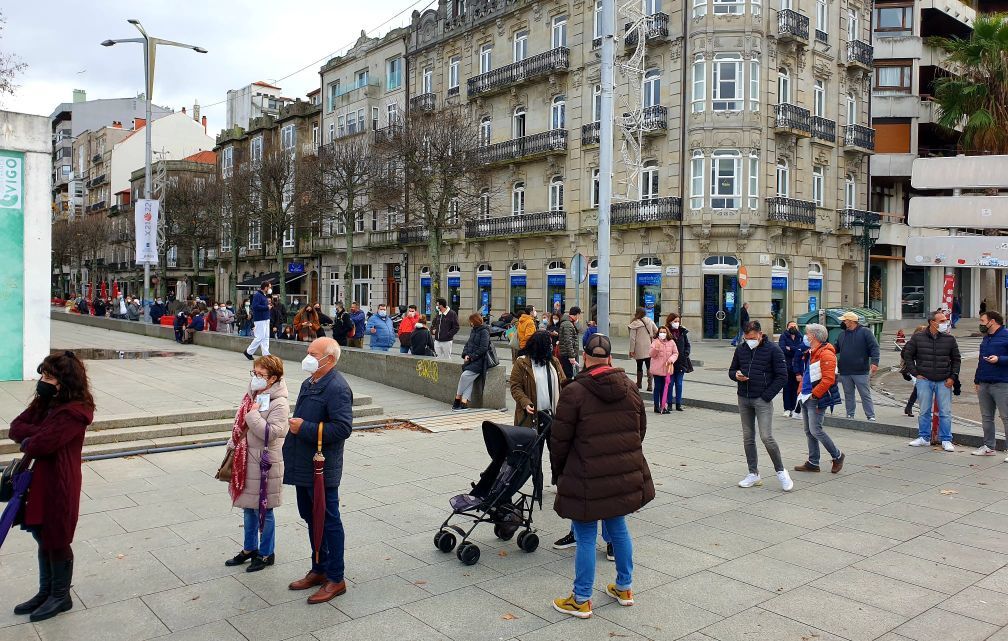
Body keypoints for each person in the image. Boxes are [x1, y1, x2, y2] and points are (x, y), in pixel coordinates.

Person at [549, 334, 654, 619]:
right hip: (620, 474)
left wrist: (558, 473)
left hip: (586, 476)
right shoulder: (630, 388)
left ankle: (582, 598)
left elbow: (559, 441)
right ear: (609, 358)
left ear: (584, 357)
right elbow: (639, 431)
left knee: (584, 536)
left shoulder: (574, 392)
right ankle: (624, 587)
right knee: (618, 528)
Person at [8, 352, 95, 622]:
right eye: (43, 375)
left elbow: (41, 444)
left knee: (56, 536)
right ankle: (45, 591)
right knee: (40, 533)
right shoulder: (47, 403)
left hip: (59, 481)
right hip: (38, 479)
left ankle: (61, 595)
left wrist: (32, 438)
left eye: (49, 377)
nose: (42, 381)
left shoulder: (74, 411)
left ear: (64, 381)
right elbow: (15, 428)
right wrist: (35, 432)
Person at [284, 338, 353, 604]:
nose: (308, 357)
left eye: (313, 353)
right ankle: (319, 567)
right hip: (303, 464)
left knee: (328, 520)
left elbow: (343, 428)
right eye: (308, 352)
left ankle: (336, 578)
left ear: (330, 360)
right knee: (310, 517)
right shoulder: (310, 381)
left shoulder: (337, 387)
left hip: (321, 468)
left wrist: (304, 428)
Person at [224, 355, 289, 573]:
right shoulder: (252, 395)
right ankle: (250, 548)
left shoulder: (279, 402)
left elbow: (272, 433)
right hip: (246, 460)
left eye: (261, 375)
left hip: (264, 463)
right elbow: (239, 425)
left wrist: (253, 417)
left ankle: (266, 552)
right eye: (255, 373)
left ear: (273, 378)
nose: (256, 378)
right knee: (248, 508)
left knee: (265, 510)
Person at [729, 320, 793, 491]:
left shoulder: (773, 349)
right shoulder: (741, 349)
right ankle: (753, 473)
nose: (748, 340)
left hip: (762, 399)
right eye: (746, 337)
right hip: (744, 397)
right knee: (748, 437)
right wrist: (736, 375)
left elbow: (782, 376)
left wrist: (766, 396)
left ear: (760, 334)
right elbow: (731, 370)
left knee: (766, 437)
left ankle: (781, 471)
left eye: (751, 337)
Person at [904, 310, 961, 452]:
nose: (945, 323)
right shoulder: (918, 338)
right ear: (932, 322)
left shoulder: (949, 339)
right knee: (924, 410)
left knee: (945, 412)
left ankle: (946, 439)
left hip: (944, 381)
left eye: (945, 320)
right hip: (924, 380)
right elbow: (907, 355)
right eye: (941, 321)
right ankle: (924, 437)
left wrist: (952, 377)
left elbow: (956, 359)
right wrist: (915, 373)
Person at [794, 323, 845, 474]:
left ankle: (837, 455)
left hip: (815, 397)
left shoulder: (826, 354)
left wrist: (814, 395)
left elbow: (829, 379)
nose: (806, 336)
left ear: (814, 336)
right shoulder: (812, 351)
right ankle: (813, 462)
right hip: (806, 396)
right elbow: (807, 373)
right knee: (809, 431)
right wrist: (800, 390)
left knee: (816, 430)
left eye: (807, 334)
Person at [509, 330, 565, 427]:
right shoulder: (521, 363)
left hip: (553, 415)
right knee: (534, 442)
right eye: (549, 344)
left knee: (554, 442)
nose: (551, 347)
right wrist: (525, 402)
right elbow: (515, 386)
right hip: (532, 416)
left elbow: (563, 382)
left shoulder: (553, 362)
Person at [973, 310, 1008, 458]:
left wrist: (999, 359)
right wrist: (977, 379)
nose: (980, 324)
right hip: (984, 383)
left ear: (992, 321)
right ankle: (988, 446)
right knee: (986, 417)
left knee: (1006, 417)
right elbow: (981, 360)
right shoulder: (986, 338)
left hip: (1002, 383)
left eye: (982, 321)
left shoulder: (1006, 335)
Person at [836, 311, 880, 421]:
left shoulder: (865, 332)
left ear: (851, 321)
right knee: (848, 394)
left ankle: (870, 416)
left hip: (860, 370)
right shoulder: (842, 334)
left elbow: (874, 347)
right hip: (845, 370)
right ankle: (850, 414)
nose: (843, 322)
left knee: (865, 394)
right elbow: (836, 348)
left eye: (845, 320)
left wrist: (875, 362)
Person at [453, 313, 492, 411]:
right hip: (471, 360)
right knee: (468, 381)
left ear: (474, 321)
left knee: (465, 376)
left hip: (480, 361)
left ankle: (457, 398)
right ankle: (464, 403)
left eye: (470, 321)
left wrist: (471, 357)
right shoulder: (474, 330)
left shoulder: (484, 331)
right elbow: (468, 344)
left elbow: (483, 348)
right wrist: (465, 354)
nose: (470, 323)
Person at [666, 313, 693, 412]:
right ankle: (669, 404)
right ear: (670, 321)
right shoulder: (666, 332)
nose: (677, 323)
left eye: (678, 321)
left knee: (679, 383)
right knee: (670, 383)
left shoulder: (682, 332)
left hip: (681, 361)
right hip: (671, 362)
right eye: (675, 321)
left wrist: (686, 353)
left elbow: (687, 345)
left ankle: (678, 404)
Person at [628, 308, 659, 391]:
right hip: (649, 347)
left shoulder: (634, 323)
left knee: (639, 366)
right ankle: (650, 386)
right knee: (649, 366)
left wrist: (631, 350)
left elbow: (632, 339)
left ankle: (639, 384)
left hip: (638, 348)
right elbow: (657, 331)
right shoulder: (649, 321)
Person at [778, 321, 804, 418]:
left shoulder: (800, 336)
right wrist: (795, 350)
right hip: (787, 366)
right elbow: (782, 349)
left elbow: (801, 349)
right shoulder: (783, 336)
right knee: (787, 388)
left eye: (794, 326)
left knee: (797, 389)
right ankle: (787, 409)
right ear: (787, 328)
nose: (793, 328)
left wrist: (791, 348)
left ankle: (796, 409)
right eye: (791, 326)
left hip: (798, 367)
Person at [245, 282, 273, 360]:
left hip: (265, 318)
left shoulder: (264, 295)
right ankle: (248, 352)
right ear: (265, 287)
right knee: (260, 337)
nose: (270, 289)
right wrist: (266, 307)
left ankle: (266, 354)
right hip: (260, 319)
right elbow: (255, 306)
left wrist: (267, 307)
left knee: (266, 337)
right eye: (269, 287)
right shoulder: (257, 295)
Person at [557, 306, 582, 381]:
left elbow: (579, 329)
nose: (579, 317)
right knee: (568, 375)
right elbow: (568, 341)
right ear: (577, 314)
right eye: (579, 315)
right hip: (567, 354)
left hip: (566, 353)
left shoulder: (569, 323)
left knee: (568, 374)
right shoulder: (568, 324)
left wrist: (576, 322)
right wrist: (571, 356)